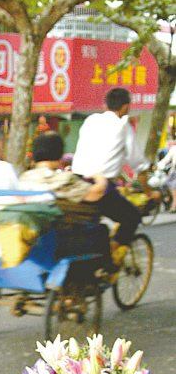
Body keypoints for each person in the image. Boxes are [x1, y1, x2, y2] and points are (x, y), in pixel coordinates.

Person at [71, 87, 159, 261]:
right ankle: (111, 252)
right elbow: (139, 166)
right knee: (132, 216)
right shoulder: (122, 126)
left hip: (76, 184)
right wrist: (149, 192)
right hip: (100, 188)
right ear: (126, 107)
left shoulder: (91, 120)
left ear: (105, 104)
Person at [20, 131, 113, 270]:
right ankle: (105, 270)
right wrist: (100, 178)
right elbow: (95, 194)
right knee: (101, 230)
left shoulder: (24, 178)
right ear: (59, 155)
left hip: (30, 238)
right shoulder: (63, 179)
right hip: (58, 240)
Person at [157, 141, 176, 212]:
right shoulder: (174, 149)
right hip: (173, 171)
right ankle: (168, 197)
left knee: (174, 186)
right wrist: (159, 165)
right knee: (164, 184)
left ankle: (174, 205)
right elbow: (166, 159)